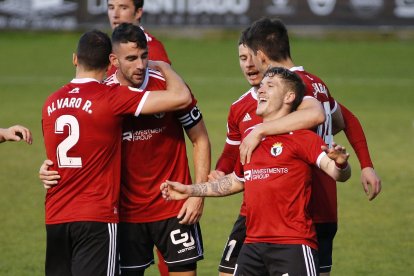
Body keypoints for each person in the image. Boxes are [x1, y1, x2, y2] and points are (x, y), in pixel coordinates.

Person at [211, 18, 381, 276]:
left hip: (294, 213)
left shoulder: (294, 87)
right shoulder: (317, 83)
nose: (248, 64)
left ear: (261, 55)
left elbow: (315, 116)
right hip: (312, 209)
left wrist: (261, 130)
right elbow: (346, 120)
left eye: (250, 56)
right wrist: (366, 166)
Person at [41, 23, 209, 276]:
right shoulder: (106, 95)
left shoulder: (166, 86)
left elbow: (201, 140)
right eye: (130, 58)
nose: (140, 65)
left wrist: (198, 194)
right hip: (126, 214)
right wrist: (47, 167)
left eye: (144, 56)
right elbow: (81, 144)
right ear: (113, 60)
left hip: (174, 208)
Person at [162, 66, 352, 276]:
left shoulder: (302, 138)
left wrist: (341, 163)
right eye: (262, 85)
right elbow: (235, 181)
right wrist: (190, 190)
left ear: (289, 96)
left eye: (270, 86)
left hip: (293, 245)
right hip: (252, 246)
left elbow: (336, 173)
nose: (261, 90)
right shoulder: (252, 139)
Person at [107, 0, 170, 76]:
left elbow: (171, 86)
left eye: (123, 8)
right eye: (111, 8)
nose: (115, 14)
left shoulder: (152, 49)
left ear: (138, 12)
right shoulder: (107, 46)